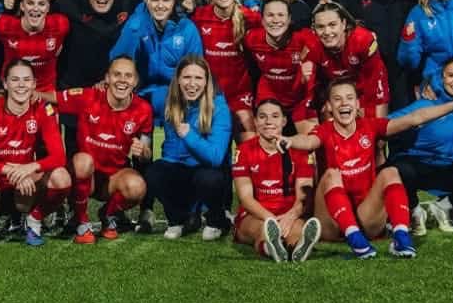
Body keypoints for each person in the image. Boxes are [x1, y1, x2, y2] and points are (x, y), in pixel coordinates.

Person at [283, 80, 453, 258]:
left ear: (357, 104)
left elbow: (415, 118)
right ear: (329, 106)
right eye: (337, 99)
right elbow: (308, 141)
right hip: (331, 222)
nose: (344, 103)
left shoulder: (369, 126)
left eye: (349, 98)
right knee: (331, 175)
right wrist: (289, 140)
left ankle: (401, 237)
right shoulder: (324, 131)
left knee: (390, 171)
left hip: (366, 218)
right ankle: (354, 239)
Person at [0, 59, 71, 248]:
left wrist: (29, 167)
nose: (21, 85)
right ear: (5, 83)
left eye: (26, 80)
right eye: (15, 80)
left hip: (25, 191)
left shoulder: (42, 109)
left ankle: (34, 221)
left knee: (62, 177)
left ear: (34, 84)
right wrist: (8, 169)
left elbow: (59, 156)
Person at [385, 58, 453, 234]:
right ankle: (414, 212)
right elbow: (387, 122)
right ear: (442, 77)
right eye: (451, 75)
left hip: (446, 165)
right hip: (417, 162)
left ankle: (444, 206)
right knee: (400, 170)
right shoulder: (427, 102)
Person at [54, 56, 154, 242]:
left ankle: (108, 215)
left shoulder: (144, 109)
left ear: (135, 81)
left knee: (137, 186)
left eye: (128, 76)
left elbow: (146, 152)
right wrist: (15, 92)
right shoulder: (89, 96)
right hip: (85, 175)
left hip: (112, 180)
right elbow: (52, 97)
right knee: (83, 161)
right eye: (117, 74)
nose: (122, 80)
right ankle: (81, 221)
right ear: (107, 78)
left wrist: (143, 152)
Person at [146, 56, 233, 241]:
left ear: (207, 81)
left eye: (198, 78)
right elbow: (135, 99)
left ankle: (216, 219)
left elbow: (216, 157)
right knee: (154, 172)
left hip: (204, 170)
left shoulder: (219, 107)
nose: (192, 84)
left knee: (210, 178)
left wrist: (189, 136)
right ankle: (179, 219)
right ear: (178, 79)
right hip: (178, 169)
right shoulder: (165, 98)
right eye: (187, 77)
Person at [231, 99, 321, 262]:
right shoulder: (243, 150)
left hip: (289, 213)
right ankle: (270, 247)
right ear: (256, 121)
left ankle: (297, 248)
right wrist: (271, 219)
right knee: (263, 230)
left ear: (284, 121)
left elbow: (304, 195)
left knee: (298, 229)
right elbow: (245, 197)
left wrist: (290, 216)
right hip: (256, 215)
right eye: (263, 117)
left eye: (274, 116)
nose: (268, 121)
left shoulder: (299, 150)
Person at [110, 0, 204, 118]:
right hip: (140, 94)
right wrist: (132, 30)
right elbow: (117, 61)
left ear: (173, 2)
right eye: (155, 0)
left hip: (177, 96)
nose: (160, 5)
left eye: (166, 0)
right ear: (147, 1)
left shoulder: (186, 28)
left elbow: (197, 70)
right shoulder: (137, 24)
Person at [190, 0, 260, 138]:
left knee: (250, 145)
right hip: (210, 96)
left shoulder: (250, 18)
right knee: (214, 153)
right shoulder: (199, 17)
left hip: (240, 95)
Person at [52, 0, 141, 91]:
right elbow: (41, 2)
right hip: (73, 86)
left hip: (110, 86)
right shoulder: (71, 1)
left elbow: (153, 7)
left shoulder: (126, 4)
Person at [243, 0, 321, 133]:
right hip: (269, 96)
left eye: (280, 15)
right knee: (266, 143)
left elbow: (327, 48)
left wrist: (309, 61)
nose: (275, 20)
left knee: (312, 141)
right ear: (261, 20)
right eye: (270, 15)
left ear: (289, 19)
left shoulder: (305, 38)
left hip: (300, 99)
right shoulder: (251, 39)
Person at [307, 2, 389, 119]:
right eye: (320, 27)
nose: (326, 32)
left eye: (332, 25)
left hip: (368, 85)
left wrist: (361, 107)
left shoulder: (363, 40)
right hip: (336, 89)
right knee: (326, 114)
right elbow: (313, 86)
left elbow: (373, 79)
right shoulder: (312, 46)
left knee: (375, 127)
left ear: (344, 24)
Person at [0, 0, 70, 94]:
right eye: (30, 3)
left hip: (45, 91)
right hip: (12, 89)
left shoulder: (60, 25)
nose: (36, 8)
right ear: (22, 6)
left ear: (48, 8)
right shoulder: (4, 25)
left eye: (41, 4)